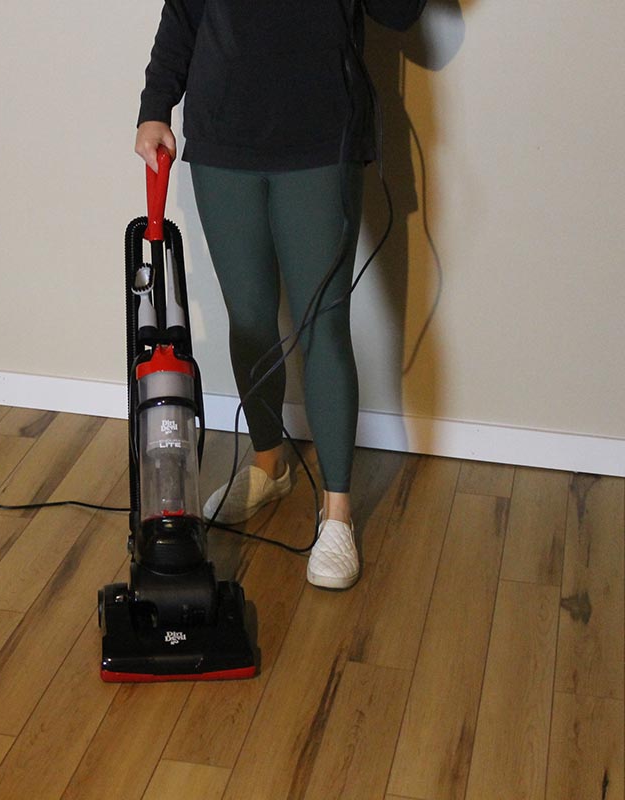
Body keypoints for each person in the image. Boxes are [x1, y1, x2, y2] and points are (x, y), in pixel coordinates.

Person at [135, 0, 425, 589]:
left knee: (324, 324)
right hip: (222, 138)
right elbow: (182, 13)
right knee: (248, 320)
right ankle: (268, 466)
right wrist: (154, 107)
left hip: (321, 142)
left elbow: (401, 13)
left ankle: (337, 513)